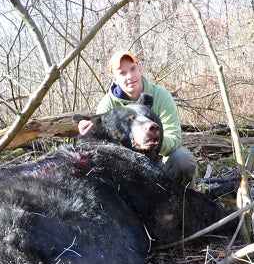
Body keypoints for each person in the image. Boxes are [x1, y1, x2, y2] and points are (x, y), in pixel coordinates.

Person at [79, 50, 198, 189]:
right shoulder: (107, 105)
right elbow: (101, 144)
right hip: (124, 167)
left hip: (158, 160)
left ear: (140, 69)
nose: (130, 76)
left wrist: (154, 141)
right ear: (115, 79)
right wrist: (87, 132)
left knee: (183, 160)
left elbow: (174, 137)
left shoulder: (161, 96)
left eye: (132, 69)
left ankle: (184, 202)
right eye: (122, 73)